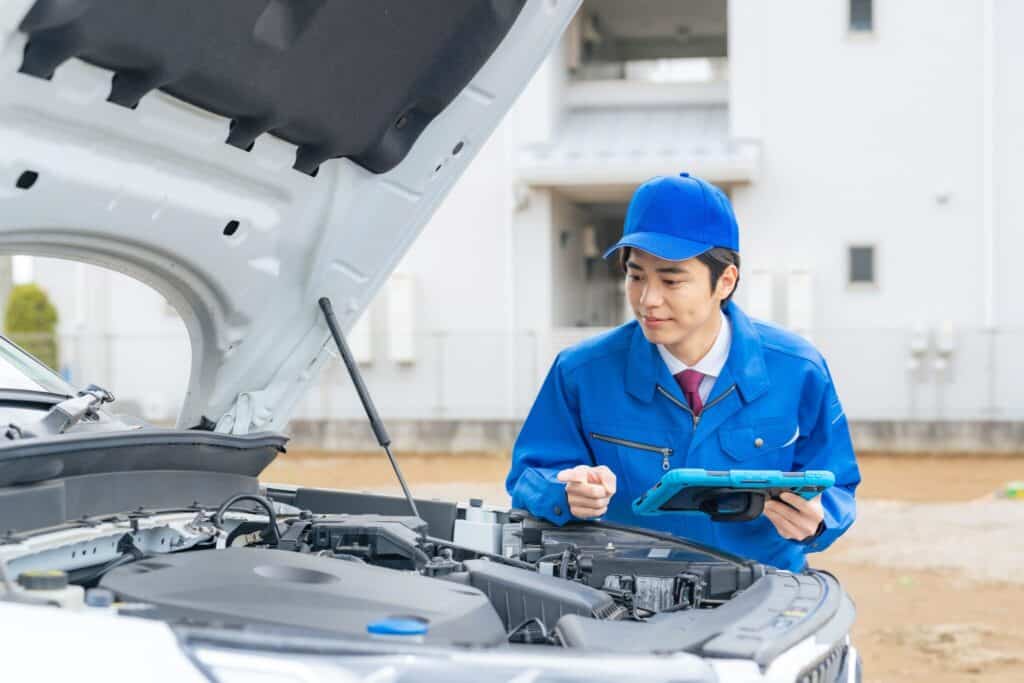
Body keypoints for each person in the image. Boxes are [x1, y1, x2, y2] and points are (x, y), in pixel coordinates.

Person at [505, 172, 860, 572]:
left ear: (725, 281)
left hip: (763, 592)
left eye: (671, 280)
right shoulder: (581, 373)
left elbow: (839, 484)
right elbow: (528, 477)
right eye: (636, 276)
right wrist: (562, 491)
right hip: (625, 596)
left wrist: (819, 520)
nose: (648, 300)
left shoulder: (798, 370)